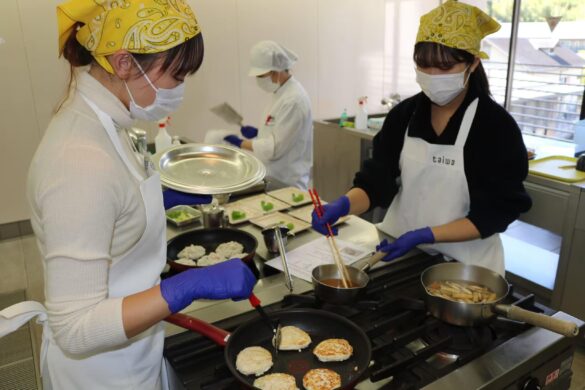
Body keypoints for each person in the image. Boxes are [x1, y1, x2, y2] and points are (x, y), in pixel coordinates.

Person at [0, 1, 256, 389]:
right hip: (102, 374)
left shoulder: (106, 123)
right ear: (123, 64)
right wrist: (185, 287)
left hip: (134, 351)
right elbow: (75, 327)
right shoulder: (78, 160)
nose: (180, 88)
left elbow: (112, 206)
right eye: (177, 73)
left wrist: (157, 201)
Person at [312, 0, 532, 276]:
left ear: (473, 63)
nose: (432, 76)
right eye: (424, 66)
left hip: (464, 269)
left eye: (444, 67)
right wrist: (343, 205)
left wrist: (427, 234)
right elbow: (376, 183)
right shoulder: (404, 114)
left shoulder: (495, 127)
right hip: (402, 255)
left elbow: (496, 210)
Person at [223, 40, 313, 190]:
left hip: (288, 184)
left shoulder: (294, 100)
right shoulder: (280, 94)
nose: (259, 80)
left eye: (261, 75)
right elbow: (282, 134)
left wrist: (239, 143)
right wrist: (260, 133)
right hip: (275, 179)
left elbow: (274, 149)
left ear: (276, 71)